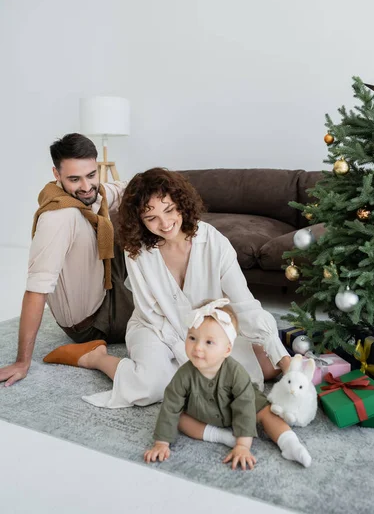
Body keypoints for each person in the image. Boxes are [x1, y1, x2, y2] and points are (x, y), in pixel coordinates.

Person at [43, 168, 292, 407]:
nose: (164, 224)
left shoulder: (214, 242)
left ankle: (191, 372)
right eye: (151, 217)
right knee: (152, 387)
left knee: (258, 373)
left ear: (181, 204)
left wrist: (284, 359)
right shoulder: (138, 252)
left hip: (206, 329)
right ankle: (96, 358)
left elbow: (243, 304)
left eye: (170, 210)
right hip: (155, 328)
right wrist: (194, 358)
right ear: (140, 220)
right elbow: (151, 313)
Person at [0, 133, 133, 387]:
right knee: (163, 322)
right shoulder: (59, 218)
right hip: (93, 322)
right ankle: (90, 354)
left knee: (143, 216)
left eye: (91, 175)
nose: (85, 186)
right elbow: (36, 291)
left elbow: (117, 191)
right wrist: (22, 362)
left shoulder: (92, 195)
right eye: (74, 179)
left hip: (102, 283)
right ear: (56, 174)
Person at [144, 299, 311, 469]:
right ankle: (222, 437)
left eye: (209, 342)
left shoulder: (236, 373)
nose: (197, 348)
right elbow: (171, 405)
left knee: (266, 413)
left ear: (227, 349)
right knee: (178, 417)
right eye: (192, 338)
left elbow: (245, 408)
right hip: (203, 411)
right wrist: (161, 443)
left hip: (241, 405)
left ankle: (289, 443)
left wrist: (243, 446)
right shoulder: (184, 375)